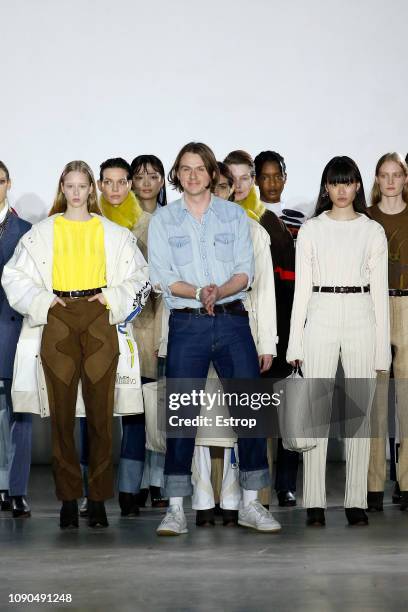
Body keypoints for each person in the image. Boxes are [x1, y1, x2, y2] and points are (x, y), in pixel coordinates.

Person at [2, 160, 150, 529]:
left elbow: (140, 276)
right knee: (61, 416)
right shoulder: (42, 232)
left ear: (91, 189)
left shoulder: (112, 233)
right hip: (59, 316)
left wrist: (111, 298)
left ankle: (97, 500)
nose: (77, 192)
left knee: (101, 415)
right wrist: (43, 301)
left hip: (99, 316)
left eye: (83, 185)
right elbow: (14, 275)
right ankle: (69, 499)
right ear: (62, 188)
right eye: (70, 185)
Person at [148, 142, 280, 535]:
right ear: (177, 175)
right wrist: (199, 293)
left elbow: (245, 271)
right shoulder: (164, 220)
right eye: (185, 169)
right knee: (182, 413)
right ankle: (174, 509)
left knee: (250, 410)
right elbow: (161, 276)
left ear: (211, 174)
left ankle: (251, 504)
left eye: (199, 169)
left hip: (232, 321)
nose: (192, 176)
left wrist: (217, 292)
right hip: (186, 324)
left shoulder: (234, 216)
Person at [287, 155, 390, 526]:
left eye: (348, 182)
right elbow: (301, 290)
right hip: (322, 310)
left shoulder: (371, 230)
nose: (342, 189)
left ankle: (356, 501)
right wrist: (294, 344)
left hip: (362, 310)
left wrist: (382, 349)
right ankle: (313, 501)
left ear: (359, 186)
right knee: (315, 408)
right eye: (335, 182)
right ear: (326, 187)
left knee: (359, 411)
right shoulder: (312, 229)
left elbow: (379, 294)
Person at [191, 162, 278, 526]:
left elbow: (265, 292)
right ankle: (200, 496)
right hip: (194, 331)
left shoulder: (253, 232)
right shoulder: (186, 226)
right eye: (218, 186)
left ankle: (235, 498)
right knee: (196, 415)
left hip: (241, 330)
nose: (222, 192)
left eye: (227, 187)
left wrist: (267, 342)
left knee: (241, 415)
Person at [224, 149, 298, 507]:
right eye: (231, 179)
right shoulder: (217, 221)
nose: (239, 186)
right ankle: (250, 489)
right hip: (236, 329)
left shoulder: (271, 224)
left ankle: (281, 484)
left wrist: (283, 337)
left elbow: (282, 286)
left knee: (281, 412)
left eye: (245, 178)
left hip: (276, 327)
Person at [367, 152, 408, 511]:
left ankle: (407, 482)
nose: (391, 181)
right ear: (377, 179)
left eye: (397, 174)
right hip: (375, 307)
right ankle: (373, 484)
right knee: (375, 399)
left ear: (405, 179)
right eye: (385, 174)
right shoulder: (367, 218)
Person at [130, 154, 168, 508]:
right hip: (131, 323)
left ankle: (154, 479)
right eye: (139, 176)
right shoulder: (122, 222)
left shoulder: (171, 219)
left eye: (153, 176)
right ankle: (135, 480)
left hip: (162, 321)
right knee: (135, 408)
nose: (145, 182)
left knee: (158, 403)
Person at [0, 161, 32, 518]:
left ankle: (18, 489)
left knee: (19, 412)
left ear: (9, 183)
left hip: (15, 332)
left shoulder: (26, 231)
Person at [254, 150, 307, 239]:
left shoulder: (300, 219)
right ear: (255, 180)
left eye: (278, 177)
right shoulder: (247, 216)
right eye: (265, 178)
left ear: (285, 177)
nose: (272, 184)